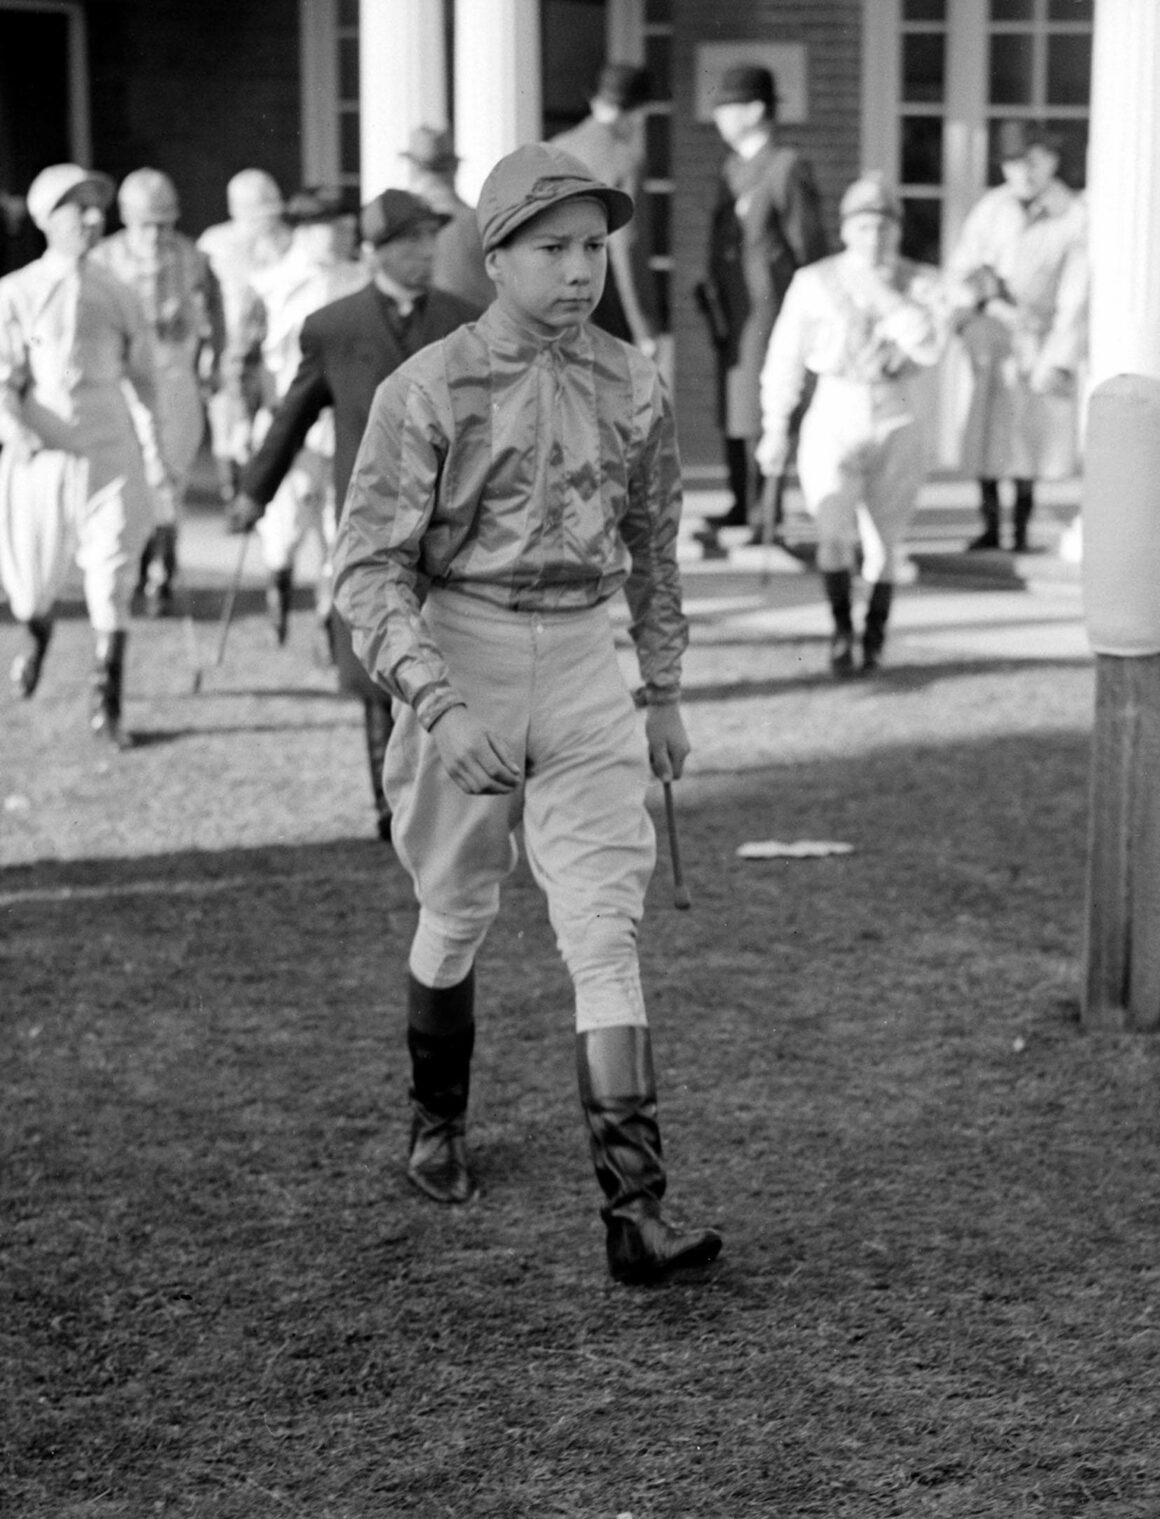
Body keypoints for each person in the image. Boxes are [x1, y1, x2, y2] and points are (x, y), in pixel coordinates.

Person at [331, 143, 723, 1285]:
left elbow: (655, 550)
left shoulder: (633, 380)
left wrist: (662, 690)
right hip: (466, 650)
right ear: (493, 254)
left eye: (592, 246)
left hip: (589, 666)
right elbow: (366, 571)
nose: (576, 270)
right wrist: (438, 706)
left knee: (604, 927)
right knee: (454, 911)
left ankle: (635, 1214)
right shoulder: (427, 387)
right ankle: (435, 1120)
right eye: (550, 248)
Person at [228, 189, 481, 841]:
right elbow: (294, 414)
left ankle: (447, 789)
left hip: (453, 519)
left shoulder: (464, 321)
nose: (424, 253)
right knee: (376, 653)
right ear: (375, 252)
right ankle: (387, 800)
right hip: (371, 518)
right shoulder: (334, 327)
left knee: (451, 649)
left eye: (430, 239)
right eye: (408, 242)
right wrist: (255, 490)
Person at [0, 163, 171, 747]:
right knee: (31, 579)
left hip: (108, 448)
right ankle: (35, 633)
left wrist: (156, 453)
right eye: (80, 208)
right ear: (50, 218)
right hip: (43, 455)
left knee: (113, 568)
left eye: (99, 207)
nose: (95, 219)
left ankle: (108, 701)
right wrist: (14, 428)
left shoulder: (116, 292)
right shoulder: (16, 292)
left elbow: (144, 380)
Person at [757, 174, 946, 676]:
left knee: (885, 542)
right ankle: (842, 633)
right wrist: (776, 424)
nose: (874, 238)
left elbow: (928, 346)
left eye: (884, 226)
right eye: (863, 226)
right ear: (845, 230)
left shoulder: (921, 283)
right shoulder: (815, 280)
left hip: (896, 409)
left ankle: (875, 640)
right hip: (836, 405)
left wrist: (883, 294)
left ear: (898, 231)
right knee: (833, 530)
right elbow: (785, 356)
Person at [233, 187, 367, 644]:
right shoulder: (270, 285)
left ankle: (330, 619)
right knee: (287, 522)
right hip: (289, 421)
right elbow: (244, 359)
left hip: (348, 421)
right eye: (336, 226)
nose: (349, 233)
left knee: (340, 524)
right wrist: (243, 417)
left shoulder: (362, 277)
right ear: (307, 230)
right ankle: (278, 585)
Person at [947, 121, 1089, 552]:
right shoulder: (992, 208)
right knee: (988, 432)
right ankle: (990, 524)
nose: (1024, 173)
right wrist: (984, 300)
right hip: (993, 334)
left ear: (1052, 161)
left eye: (1034, 162)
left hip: (1040, 335)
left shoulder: (1073, 214)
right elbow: (962, 268)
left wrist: (1060, 352)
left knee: (1031, 437)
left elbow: (1077, 290)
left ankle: (1021, 528)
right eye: (1014, 164)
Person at [698, 64, 827, 536]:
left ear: (756, 109)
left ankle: (765, 511)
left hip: (771, 306)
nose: (720, 118)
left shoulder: (785, 166)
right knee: (735, 402)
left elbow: (808, 247)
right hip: (733, 307)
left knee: (762, 403)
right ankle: (741, 501)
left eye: (728, 107)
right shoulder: (732, 166)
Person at [91, 167, 225, 615]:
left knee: (174, 473)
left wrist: (211, 355)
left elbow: (217, 313)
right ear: (126, 217)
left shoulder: (192, 256)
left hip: (177, 376)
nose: (155, 234)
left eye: (164, 223)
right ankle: (143, 562)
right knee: (139, 474)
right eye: (146, 223)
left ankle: (165, 562)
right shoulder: (103, 259)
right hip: (127, 380)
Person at [550, 62, 659, 356]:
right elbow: (626, 246)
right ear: (636, 113)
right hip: (602, 304)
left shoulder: (555, 149)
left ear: (596, 101)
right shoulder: (625, 159)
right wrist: (643, 327)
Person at [197, 169, 291, 503]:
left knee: (265, 422)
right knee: (226, 422)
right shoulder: (214, 245)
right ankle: (231, 492)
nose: (264, 225)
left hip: (270, 348)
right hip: (227, 346)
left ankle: (260, 490)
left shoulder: (285, 243)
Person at [399, 125, 494, 310]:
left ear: (413, 168)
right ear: (455, 167)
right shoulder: (484, 222)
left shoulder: (398, 227)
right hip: (477, 330)